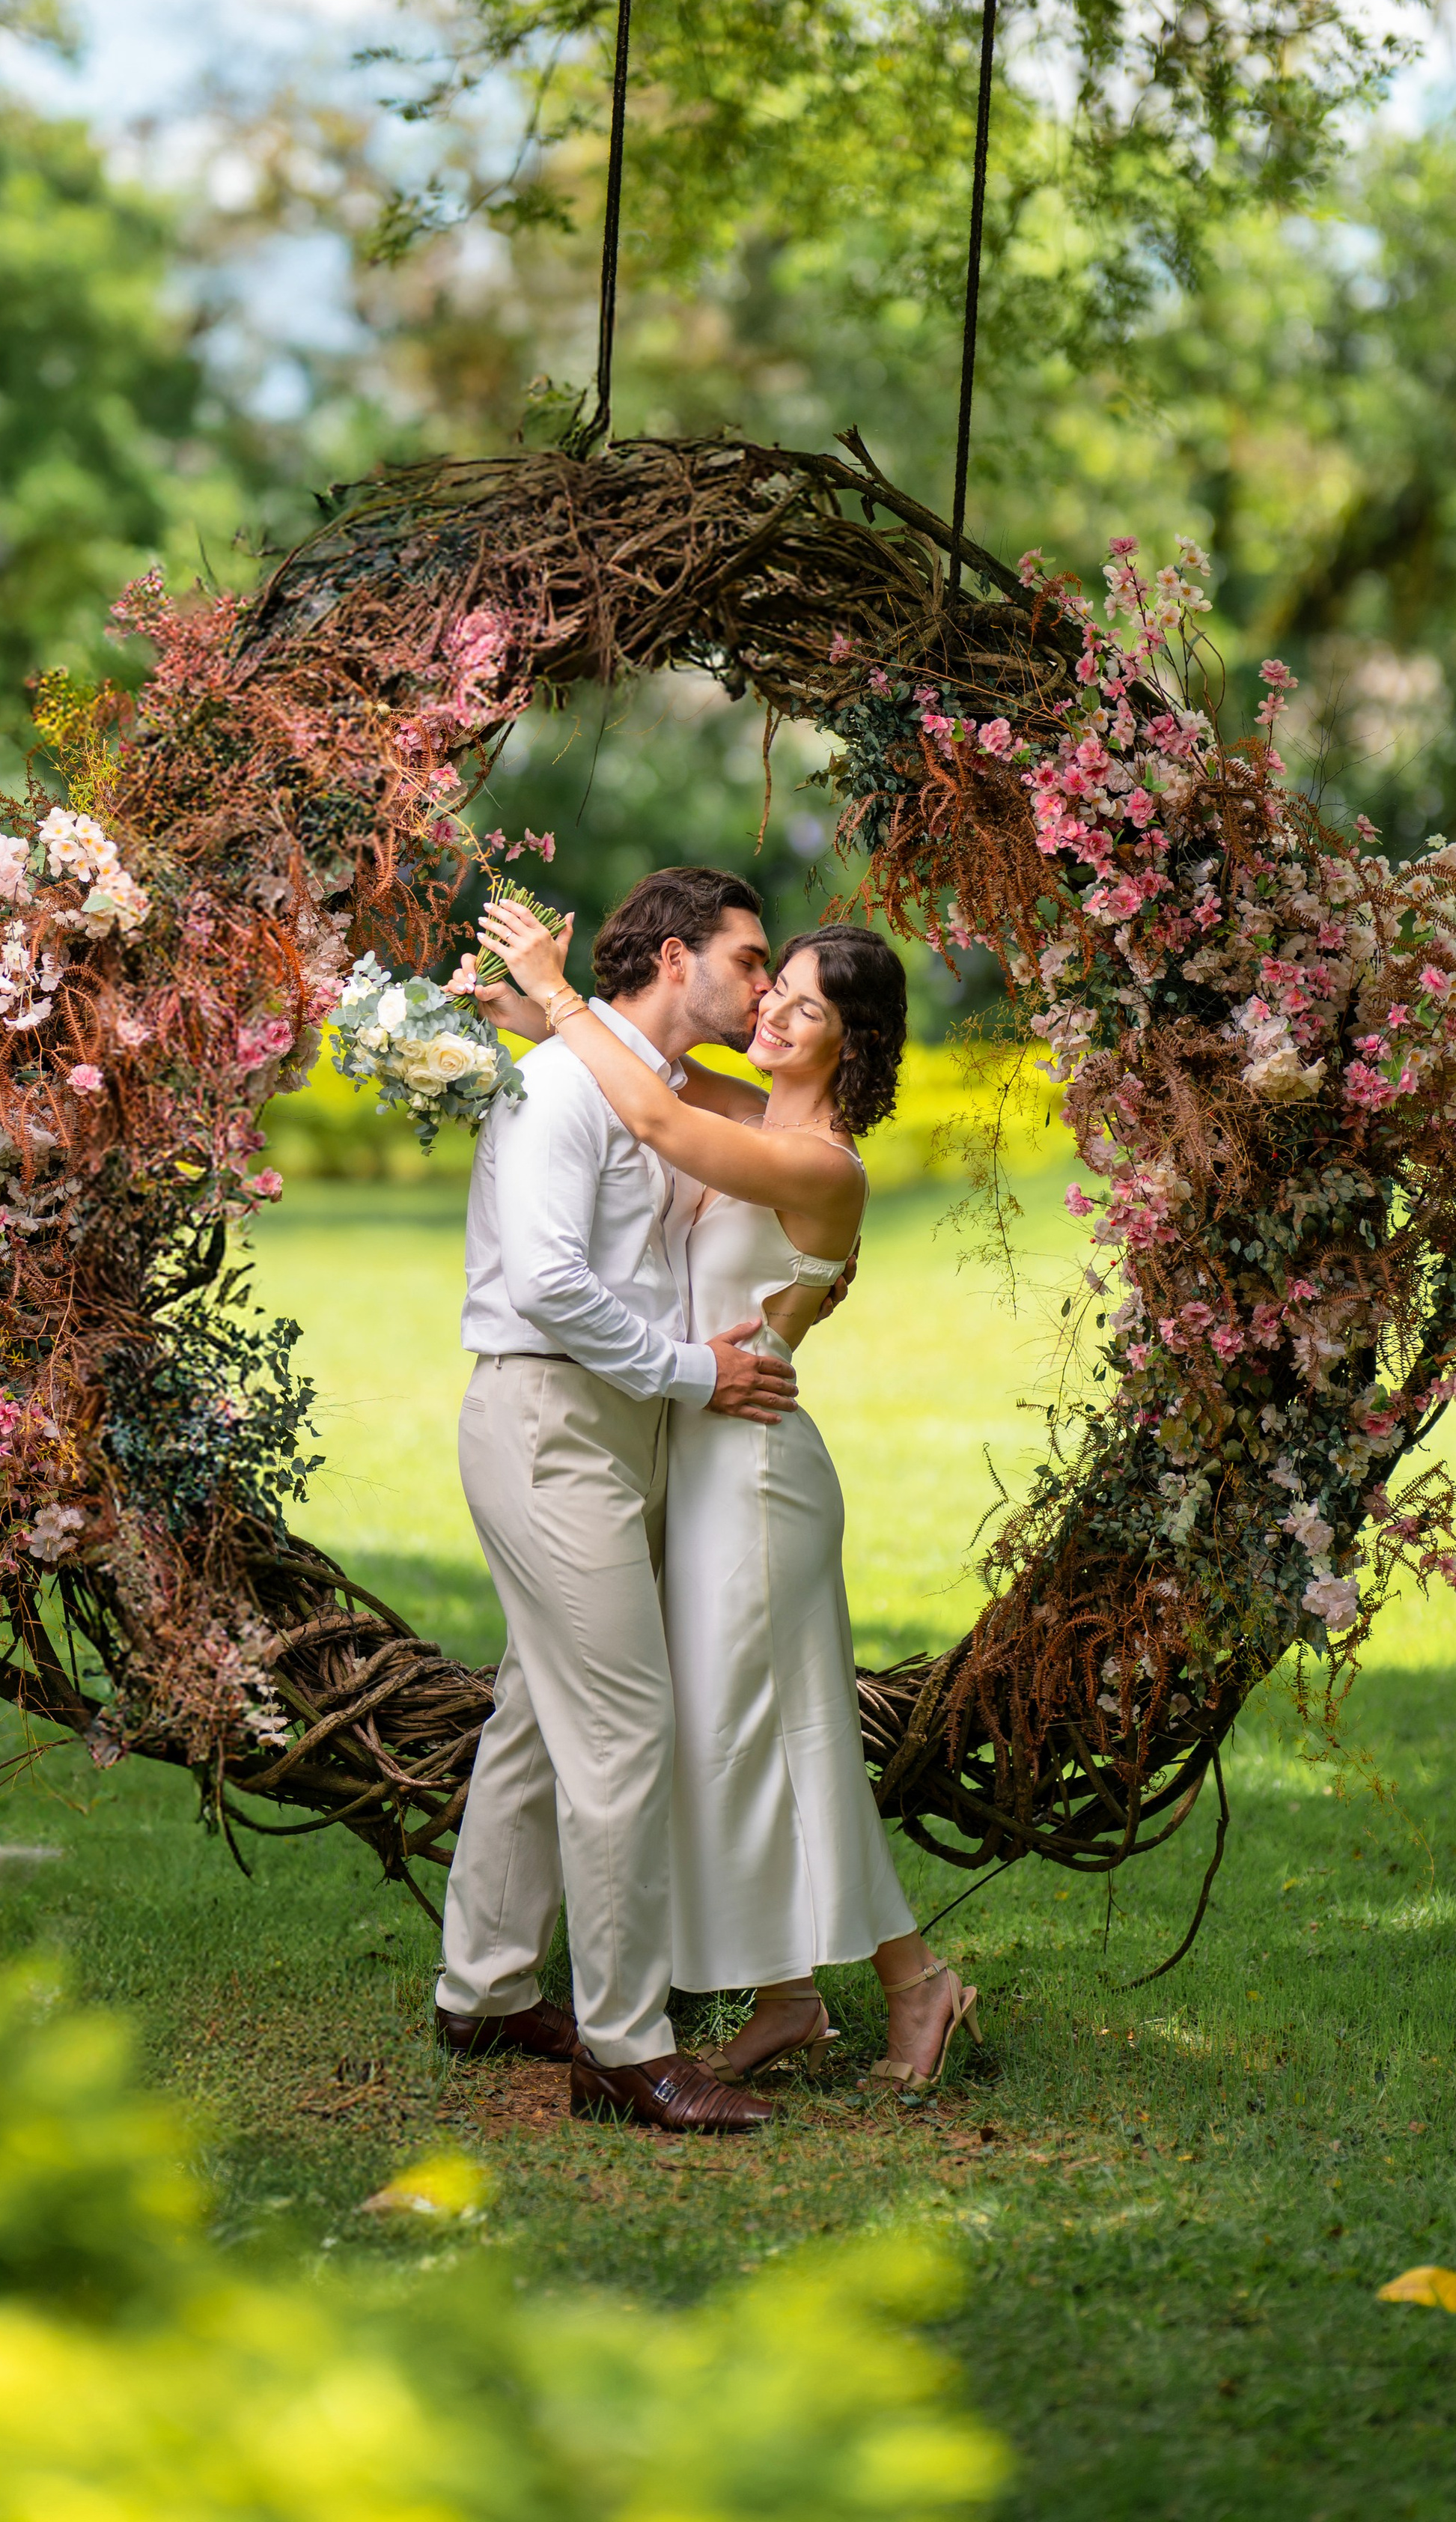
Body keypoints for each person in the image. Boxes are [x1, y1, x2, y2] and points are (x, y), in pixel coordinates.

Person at [479, 895, 982, 2093]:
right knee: (726, 1734)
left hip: (753, 1473)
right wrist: (529, 1022)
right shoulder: (751, 1112)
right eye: (772, 984)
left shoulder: (814, 1162)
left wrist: (552, 988)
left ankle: (917, 1988)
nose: (769, 1007)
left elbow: (649, 1108)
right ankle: (788, 1999)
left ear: (846, 1047)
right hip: (697, 1449)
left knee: (777, 1736)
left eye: (800, 1004)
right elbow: (635, 1073)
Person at [435, 867, 811, 2135]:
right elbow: (544, 1284)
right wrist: (691, 1372)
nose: (764, 985)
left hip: (616, 1426)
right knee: (626, 1728)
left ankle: (483, 1991)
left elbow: (754, 1135)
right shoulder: (557, 1091)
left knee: (543, 1714)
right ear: (669, 958)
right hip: (553, 1421)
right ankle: (626, 2046)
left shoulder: (624, 1081)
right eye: (749, 959)